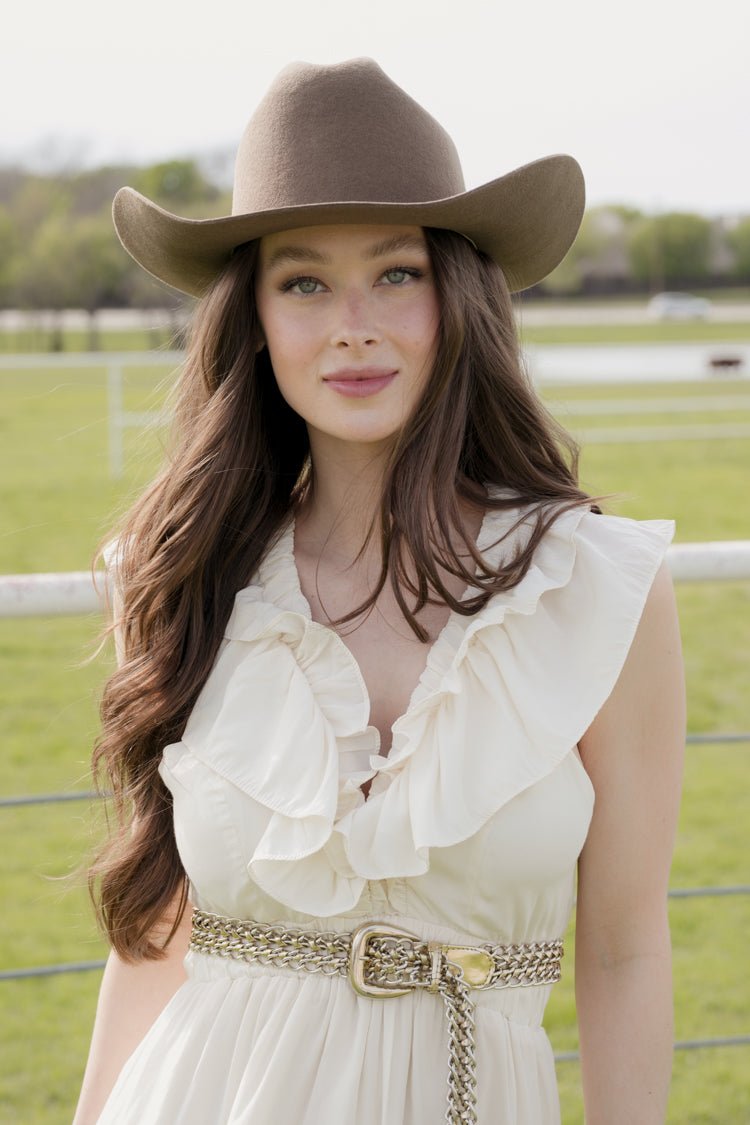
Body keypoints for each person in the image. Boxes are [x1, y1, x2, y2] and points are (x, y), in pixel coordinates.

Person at [73, 58, 685, 1125]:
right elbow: (156, 935)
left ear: (460, 297)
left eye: (396, 273)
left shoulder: (601, 591)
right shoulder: (186, 576)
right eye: (303, 281)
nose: (352, 324)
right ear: (255, 320)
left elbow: (627, 949)